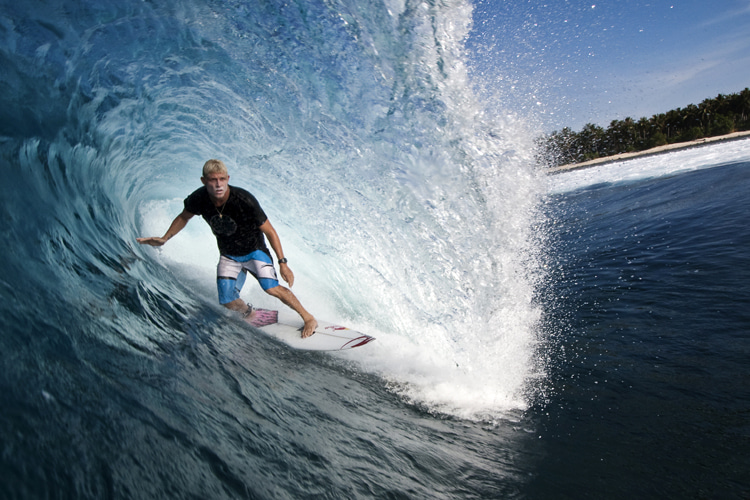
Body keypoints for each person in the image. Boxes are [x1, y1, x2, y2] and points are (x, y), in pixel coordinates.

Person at [137, 159, 318, 338]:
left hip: (255, 251)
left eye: (222, 179)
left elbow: (270, 231)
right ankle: (249, 313)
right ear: (203, 181)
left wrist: (282, 262)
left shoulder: (244, 199)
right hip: (229, 254)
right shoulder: (199, 198)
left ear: (228, 178)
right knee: (227, 301)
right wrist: (164, 238)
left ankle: (308, 318)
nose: (218, 184)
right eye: (213, 180)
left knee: (271, 288)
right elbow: (184, 217)